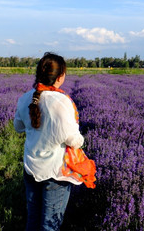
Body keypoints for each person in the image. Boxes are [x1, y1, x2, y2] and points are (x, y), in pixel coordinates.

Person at [14, 52, 95, 231]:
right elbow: (73, 139)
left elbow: (18, 127)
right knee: (50, 224)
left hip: (30, 167)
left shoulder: (26, 98)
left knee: (33, 219)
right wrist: (81, 139)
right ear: (60, 77)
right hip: (55, 171)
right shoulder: (61, 101)